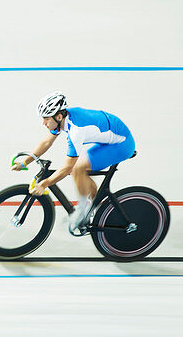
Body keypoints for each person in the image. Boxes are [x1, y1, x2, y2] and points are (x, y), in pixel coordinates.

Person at [14, 92, 136, 232]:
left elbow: (67, 168)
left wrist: (44, 184)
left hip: (122, 145)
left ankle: (82, 211)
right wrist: (24, 163)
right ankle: (95, 204)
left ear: (59, 116)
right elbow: (47, 142)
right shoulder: (63, 119)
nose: (43, 123)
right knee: (80, 171)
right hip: (111, 138)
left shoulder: (76, 131)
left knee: (77, 169)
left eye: (46, 119)